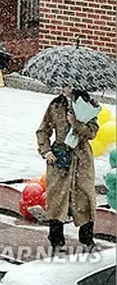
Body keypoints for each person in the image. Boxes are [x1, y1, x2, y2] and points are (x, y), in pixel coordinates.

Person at [36, 85, 99, 252]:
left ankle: (87, 239)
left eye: (69, 85)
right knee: (57, 199)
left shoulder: (88, 104)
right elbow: (43, 130)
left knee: (85, 197)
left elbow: (93, 132)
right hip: (60, 157)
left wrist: (76, 124)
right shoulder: (56, 105)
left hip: (81, 159)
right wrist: (46, 150)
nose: (65, 89)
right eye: (63, 85)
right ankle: (56, 240)